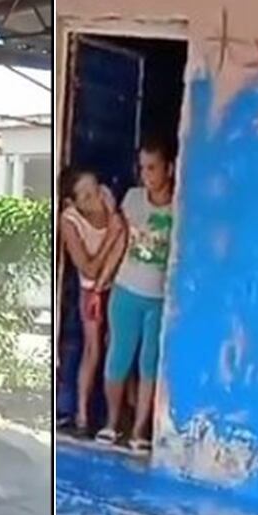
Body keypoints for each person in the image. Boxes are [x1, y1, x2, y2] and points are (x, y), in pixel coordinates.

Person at [96, 137, 176, 454]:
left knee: (149, 365)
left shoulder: (179, 205)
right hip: (126, 290)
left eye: (153, 167)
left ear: (169, 168)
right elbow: (119, 244)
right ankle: (112, 423)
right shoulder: (132, 199)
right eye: (143, 168)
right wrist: (101, 283)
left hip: (158, 299)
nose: (147, 175)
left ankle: (140, 430)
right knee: (118, 359)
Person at [58, 169, 124, 435]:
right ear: (72, 202)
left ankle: (116, 419)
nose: (95, 198)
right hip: (90, 289)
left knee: (117, 347)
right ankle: (82, 416)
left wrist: (115, 235)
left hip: (117, 281)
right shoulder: (69, 221)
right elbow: (87, 269)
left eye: (95, 189)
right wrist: (111, 236)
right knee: (92, 348)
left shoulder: (107, 196)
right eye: (85, 196)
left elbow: (123, 239)